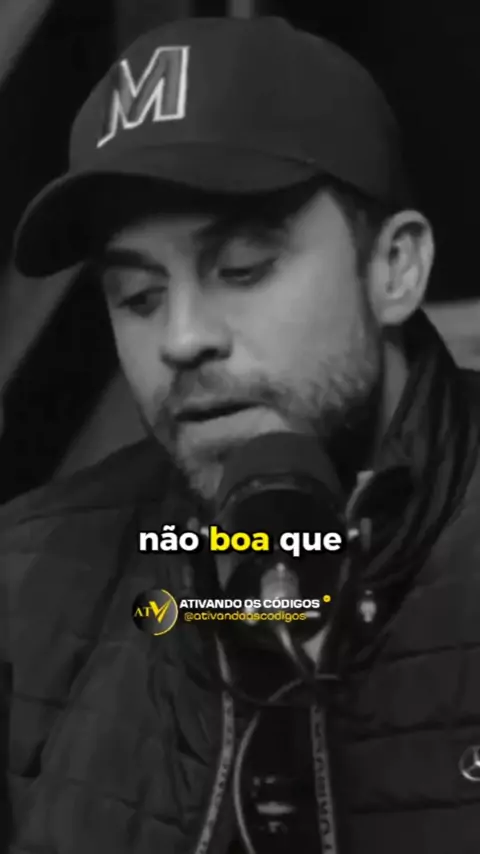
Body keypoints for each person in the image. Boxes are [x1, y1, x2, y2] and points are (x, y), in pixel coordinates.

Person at [1, 14, 480, 854]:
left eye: (243, 269)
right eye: (139, 297)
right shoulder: (19, 583)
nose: (182, 339)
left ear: (395, 267)